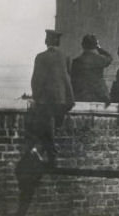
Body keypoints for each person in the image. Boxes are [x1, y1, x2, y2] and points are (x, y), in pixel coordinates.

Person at [30, 29, 74, 166]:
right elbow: (68, 77)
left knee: (45, 124)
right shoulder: (66, 57)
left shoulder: (40, 57)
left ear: (46, 41)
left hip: (46, 100)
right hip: (63, 99)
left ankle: (47, 153)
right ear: (58, 42)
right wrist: (69, 98)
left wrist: (36, 97)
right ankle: (42, 150)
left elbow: (36, 80)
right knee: (52, 125)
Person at [70, 34, 112, 103]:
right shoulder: (100, 59)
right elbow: (109, 57)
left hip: (81, 97)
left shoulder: (76, 62)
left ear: (83, 45)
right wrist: (99, 48)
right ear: (95, 46)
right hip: (100, 96)